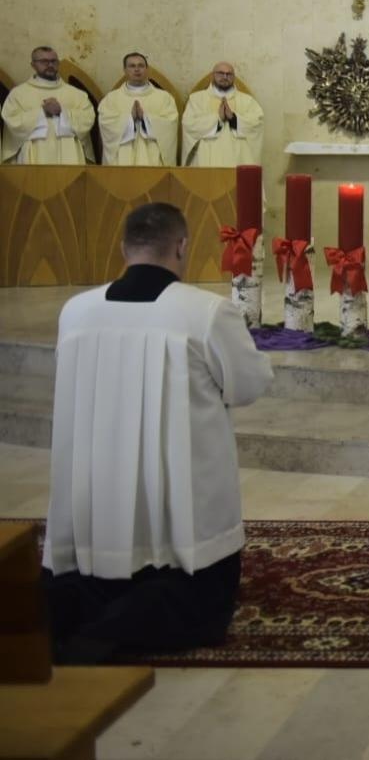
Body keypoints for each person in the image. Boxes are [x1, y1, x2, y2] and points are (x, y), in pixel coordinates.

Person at [42, 203, 274, 663]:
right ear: (182, 246)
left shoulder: (76, 312)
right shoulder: (205, 313)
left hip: (95, 502)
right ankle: (131, 622)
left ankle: (80, 612)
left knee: (77, 589)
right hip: (178, 511)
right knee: (193, 597)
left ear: (123, 247)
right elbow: (250, 385)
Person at [2, 45, 94, 164]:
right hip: (34, 153)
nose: (50, 65)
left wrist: (62, 112)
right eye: (44, 61)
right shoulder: (18, 94)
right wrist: (42, 112)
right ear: (33, 65)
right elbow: (11, 121)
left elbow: (88, 119)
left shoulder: (77, 94)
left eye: (53, 61)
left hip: (69, 153)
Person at [97, 52, 179, 166]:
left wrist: (145, 118)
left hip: (153, 160)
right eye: (132, 66)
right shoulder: (111, 99)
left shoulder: (164, 98)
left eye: (141, 65)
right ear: (125, 70)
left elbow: (170, 124)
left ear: (147, 69)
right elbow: (106, 125)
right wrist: (129, 119)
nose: (137, 69)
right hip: (122, 159)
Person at [181, 61, 263, 166]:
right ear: (213, 75)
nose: (225, 77)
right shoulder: (197, 99)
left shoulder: (247, 101)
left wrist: (234, 118)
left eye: (229, 74)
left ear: (234, 77)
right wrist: (217, 119)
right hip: (205, 159)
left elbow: (257, 123)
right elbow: (189, 124)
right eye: (220, 73)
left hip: (238, 159)